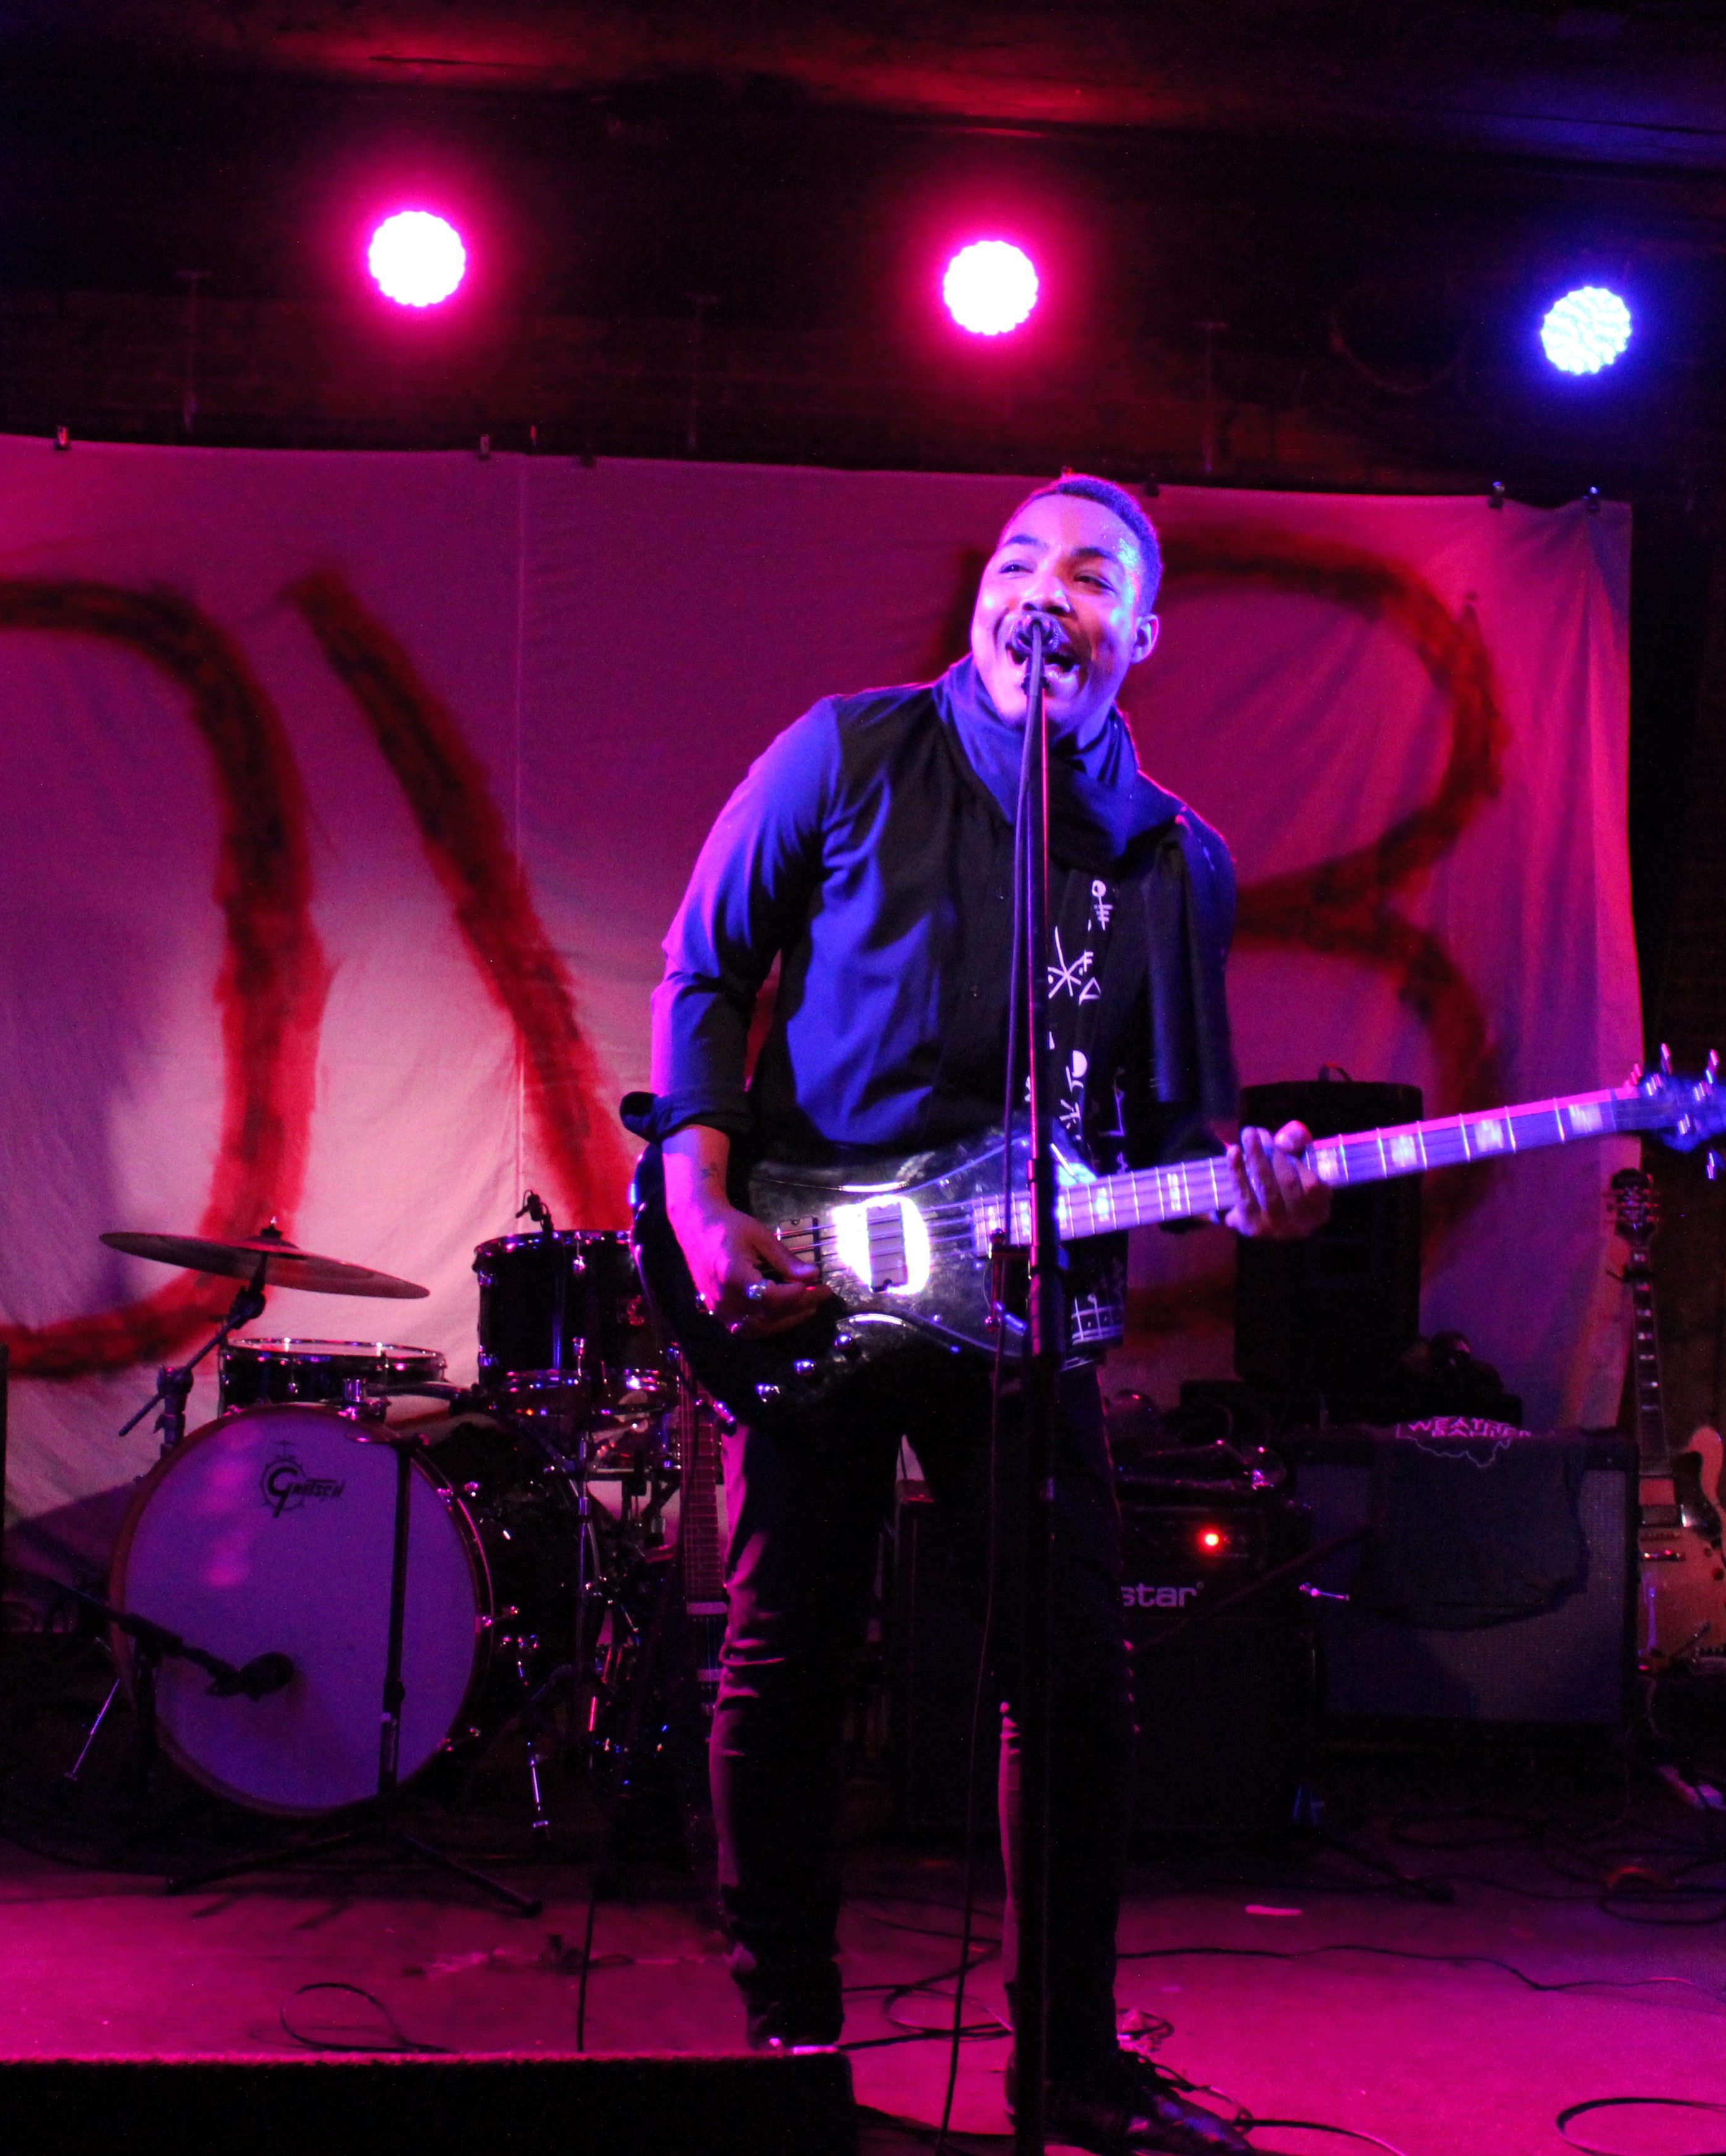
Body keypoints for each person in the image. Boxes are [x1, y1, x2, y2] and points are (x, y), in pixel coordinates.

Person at [650, 474, 1329, 2155]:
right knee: (789, 1652)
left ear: (1140, 635)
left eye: (1089, 576)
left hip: (1026, 1312)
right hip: (811, 1272)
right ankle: (788, 2040)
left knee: (1074, 1685)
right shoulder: (846, 751)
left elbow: (1177, 1136)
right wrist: (704, 1202)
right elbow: (706, 974)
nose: (1044, 593)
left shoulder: (1173, 860)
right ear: (982, 601)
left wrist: (1254, 1188)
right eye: (1019, 564)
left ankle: (1067, 2061)